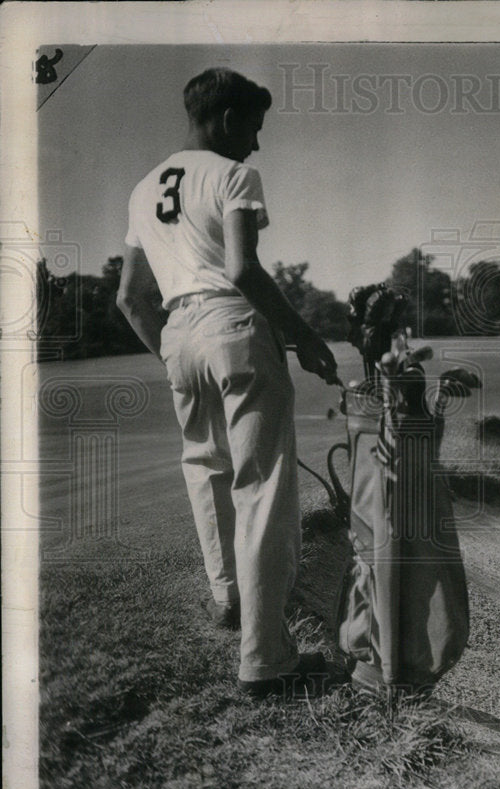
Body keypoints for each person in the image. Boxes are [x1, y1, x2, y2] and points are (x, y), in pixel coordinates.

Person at [117, 68, 341, 698]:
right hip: (232, 323)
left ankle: (230, 599)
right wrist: (303, 336)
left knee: (206, 469)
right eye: (254, 128)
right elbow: (243, 270)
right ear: (227, 119)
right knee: (262, 489)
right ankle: (266, 662)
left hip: (177, 334)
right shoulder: (233, 174)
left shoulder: (141, 190)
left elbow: (131, 299)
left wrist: (171, 350)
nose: (257, 145)